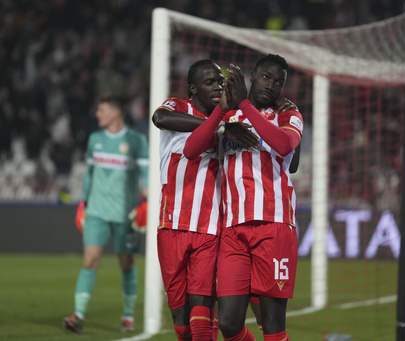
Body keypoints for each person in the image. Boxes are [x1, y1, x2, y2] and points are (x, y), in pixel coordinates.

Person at [184, 54, 303, 341]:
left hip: (274, 225)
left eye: (279, 82)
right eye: (266, 77)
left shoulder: (288, 114)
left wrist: (245, 106)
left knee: (273, 324)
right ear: (253, 76)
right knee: (228, 323)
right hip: (233, 230)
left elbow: (285, 145)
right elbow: (190, 150)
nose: (272, 85)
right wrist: (221, 116)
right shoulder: (227, 115)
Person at [152, 59, 262, 341]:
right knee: (181, 323)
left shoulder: (231, 118)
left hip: (210, 228)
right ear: (193, 89)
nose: (217, 86)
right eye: (210, 82)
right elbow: (159, 119)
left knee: (202, 317)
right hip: (171, 224)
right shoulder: (178, 107)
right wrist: (219, 128)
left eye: (220, 82)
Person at [63, 95, 149, 334]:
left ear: (115, 112)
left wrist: (147, 202)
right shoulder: (95, 139)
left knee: (126, 263)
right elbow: (90, 174)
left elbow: (146, 173)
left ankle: (128, 315)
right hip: (97, 212)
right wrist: (83, 204)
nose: (97, 114)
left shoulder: (137, 141)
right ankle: (78, 314)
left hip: (126, 215)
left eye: (101, 110)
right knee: (90, 260)